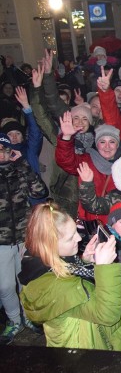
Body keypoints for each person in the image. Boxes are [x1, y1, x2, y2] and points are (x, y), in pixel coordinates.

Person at [18, 201, 121, 352]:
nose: (79, 239)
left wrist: (85, 261)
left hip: (93, 340)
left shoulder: (50, 264)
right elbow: (108, 315)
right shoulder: (56, 287)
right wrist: (105, 268)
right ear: (50, 244)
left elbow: (72, 281)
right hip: (88, 352)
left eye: (75, 231)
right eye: (70, 238)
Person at [0, 133, 48, 345]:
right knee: (5, 286)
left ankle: (28, 317)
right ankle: (14, 320)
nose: (1, 154)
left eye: (4, 149)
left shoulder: (19, 170)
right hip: (1, 242)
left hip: (23, 237)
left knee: (25, 282)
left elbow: (40, 191)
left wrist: (22, 163)